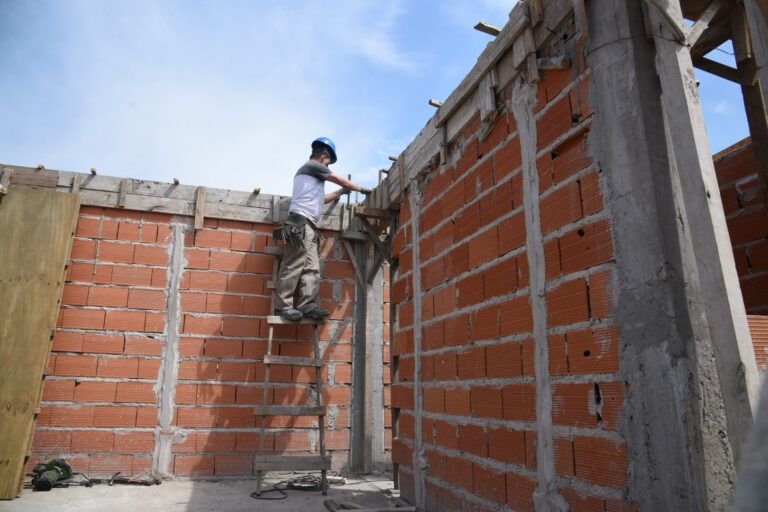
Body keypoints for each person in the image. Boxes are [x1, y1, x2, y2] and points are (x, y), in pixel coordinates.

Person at [274, 137, 371, 321]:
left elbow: (321, 199)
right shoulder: (312, 166)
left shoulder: (311, 176)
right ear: (324, 157)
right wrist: (361, 188)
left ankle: (308, 306)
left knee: (311, 268)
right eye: (328, 161)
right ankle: (282, 307)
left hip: (309, 225)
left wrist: (340, 193)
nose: (328, 165)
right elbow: (339, 179)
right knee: (293, 264)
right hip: (300, 222)